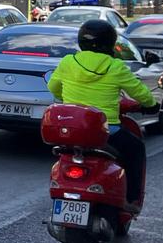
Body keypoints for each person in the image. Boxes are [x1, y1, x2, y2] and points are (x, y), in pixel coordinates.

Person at [48, 19, 157, 207]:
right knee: (136, 149)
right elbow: (139, 92)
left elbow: (53, 87)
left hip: (72, 131)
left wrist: (64, 98)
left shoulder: (68, 62)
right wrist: (152, 104)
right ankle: (131, 199)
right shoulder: (115, 66)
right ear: (110, 43)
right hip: (106, 132)